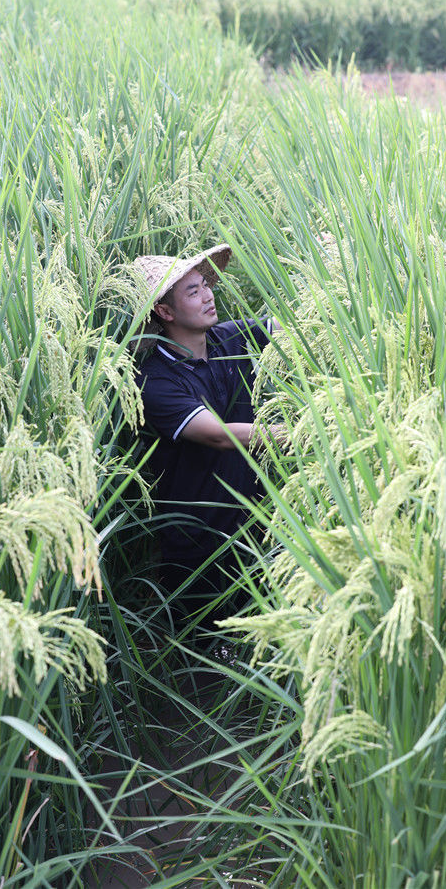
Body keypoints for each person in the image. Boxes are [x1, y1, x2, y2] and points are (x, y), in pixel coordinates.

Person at [133, 243, 286, 635]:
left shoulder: (226, 340)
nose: (208, 295)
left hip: (251, 522)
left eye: (206, 285)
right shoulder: (155, 381)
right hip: (197, 540)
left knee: (256, 631)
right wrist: (304, 433)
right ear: (164, 313)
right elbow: (219, 436)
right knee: (207, 643)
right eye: (193, 291)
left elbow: (286, 328)